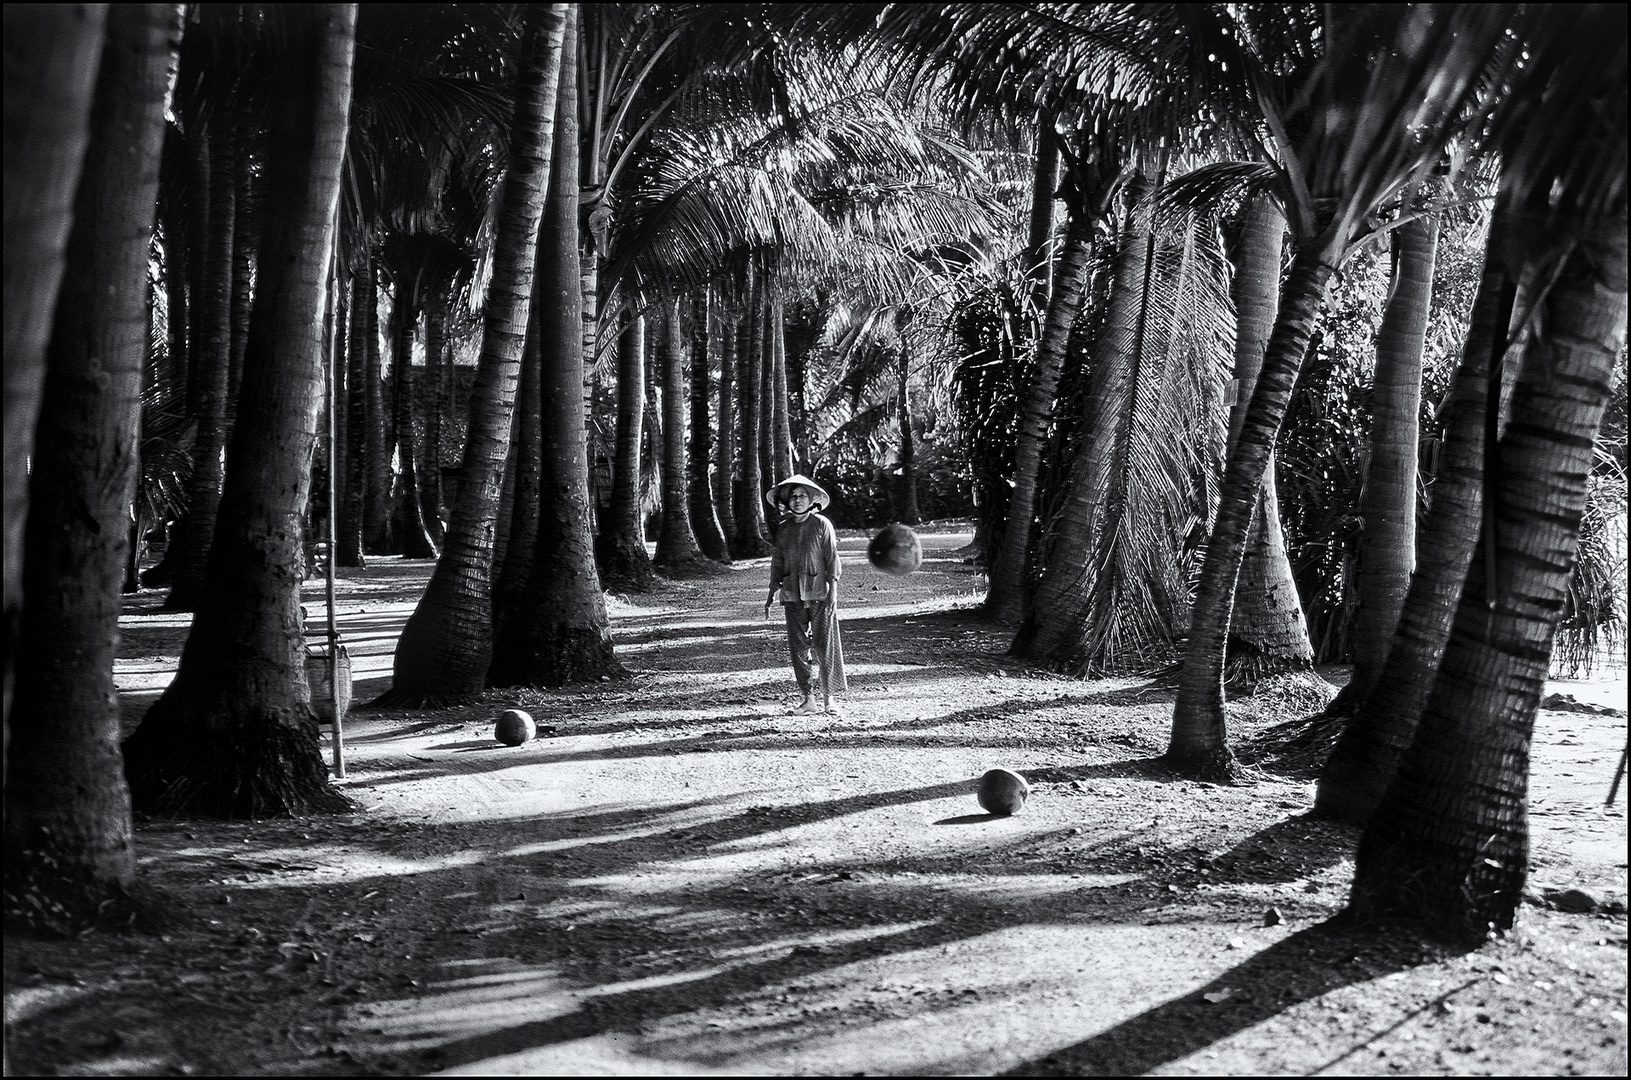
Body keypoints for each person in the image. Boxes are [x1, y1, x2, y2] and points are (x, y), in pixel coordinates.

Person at [764, 474, 846, 714]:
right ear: (787, 502)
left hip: (820, 593)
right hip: (792, 594)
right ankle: (808, 698)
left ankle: (829, 699)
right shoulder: (783, 529)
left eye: (802, 496)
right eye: (793, 496)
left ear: (811, 500)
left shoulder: (821, 524)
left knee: (825, 645)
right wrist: (772, 590)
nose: (797, 500)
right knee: (798, 647)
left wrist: (833, 590)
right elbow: (777, 562)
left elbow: (832, 559)